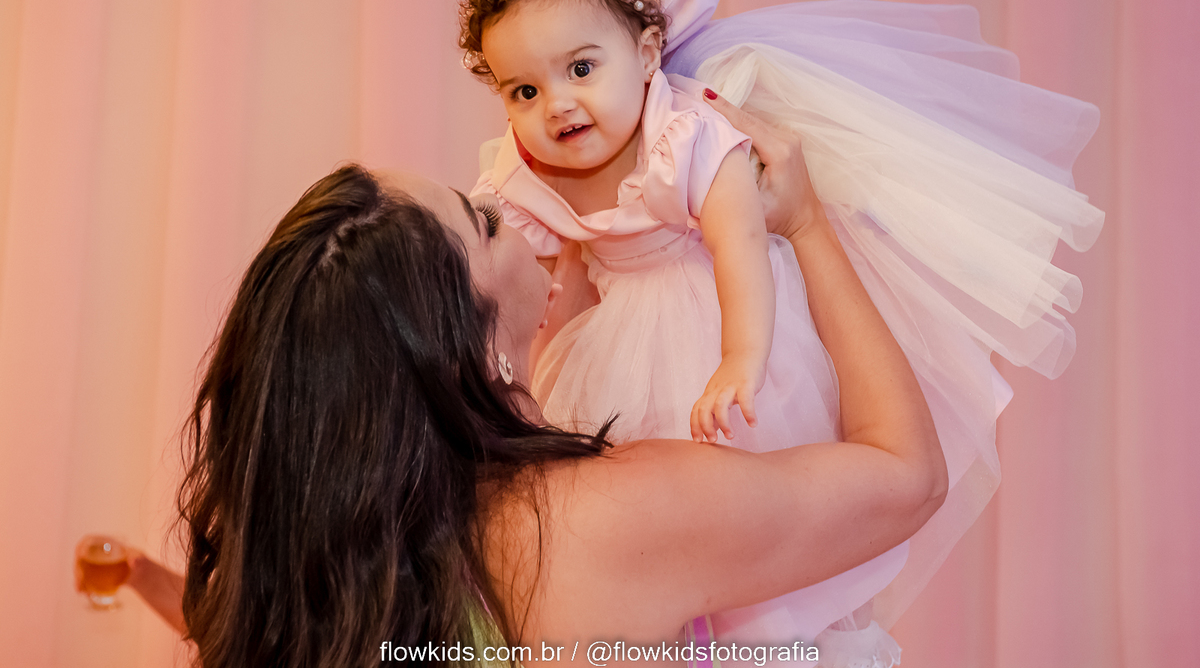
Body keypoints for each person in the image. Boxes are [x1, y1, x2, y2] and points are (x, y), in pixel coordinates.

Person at [85, 98, 947, 667]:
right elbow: (907, 476)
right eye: (487, 220)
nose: (513, 202)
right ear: (469, 338)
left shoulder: (339, 566)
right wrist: (804, 223)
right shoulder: (609, 515)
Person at [461, 0, 1104, 653]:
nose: (557, 104)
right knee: (651, 510)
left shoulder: (684, 134)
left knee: (749, 477)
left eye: (581, 68)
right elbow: (527, 284)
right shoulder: (526, 174)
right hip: (613, 341)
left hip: (722, 312)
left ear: (645, 55)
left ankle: (764, 618)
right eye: (525, 90)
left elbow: (738, 245)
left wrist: (742, 356)